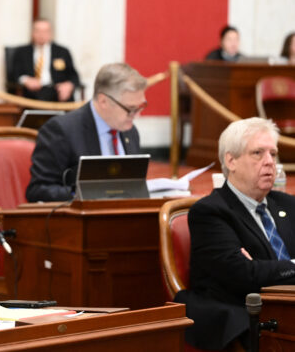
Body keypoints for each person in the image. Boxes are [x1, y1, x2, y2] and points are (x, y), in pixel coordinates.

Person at [175, 118, 295, 350]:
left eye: (273, 153)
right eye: (258, 153)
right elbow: (244, 275)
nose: (270, 162)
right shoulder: (211, 211)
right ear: (231, 160)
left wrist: (266, 268)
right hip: (252, 314)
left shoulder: (288, 205)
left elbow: (258, 271)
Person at [26, 63, 146, 202]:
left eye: (140, 107)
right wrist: (83, 193)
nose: (137, 116)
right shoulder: (62, 130)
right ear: (103, 101)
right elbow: (38, 191)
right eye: (131, 109)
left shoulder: (130, 131)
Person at [9, 18, 80, 102]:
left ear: (51, 33)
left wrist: (69, 85)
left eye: (45, 31)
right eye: (38, 31)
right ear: (32, 32)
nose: (41, 34)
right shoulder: (22, 52)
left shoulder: (62, 52)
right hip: (31, 93)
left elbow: (74, 76)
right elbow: (14, 74)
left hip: (56, 91)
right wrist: (26, 80)